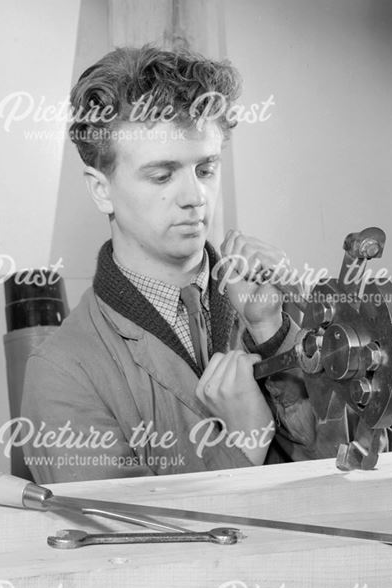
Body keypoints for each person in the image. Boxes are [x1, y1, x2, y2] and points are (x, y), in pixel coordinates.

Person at [20, 45, 361, 484]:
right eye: (162, 176)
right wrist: (242, 444)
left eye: (205, 169)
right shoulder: (62, 372)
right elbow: (119, 541)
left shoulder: (275, 306)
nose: (194, 197)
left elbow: (354, 470)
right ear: (101, 190)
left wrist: (273, 336)